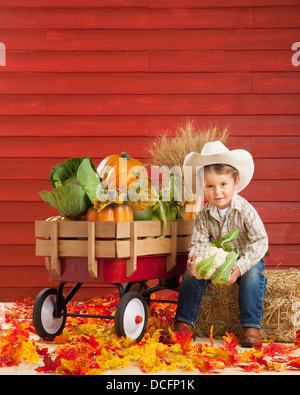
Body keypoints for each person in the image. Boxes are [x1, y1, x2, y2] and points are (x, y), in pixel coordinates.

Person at [175, 141, 268, 347]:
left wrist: (239, 266)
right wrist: (195, 261)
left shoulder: (245, 210)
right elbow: (199, 244)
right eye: (210, 186)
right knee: (190, 275)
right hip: (217, 261)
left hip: (245, 259)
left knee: (253, 277)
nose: (217, 192)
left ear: (235, 182)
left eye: (223, 184)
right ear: (203, 188)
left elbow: (260, 241)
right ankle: (184, 322)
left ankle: (251, 327)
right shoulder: (203, 216)